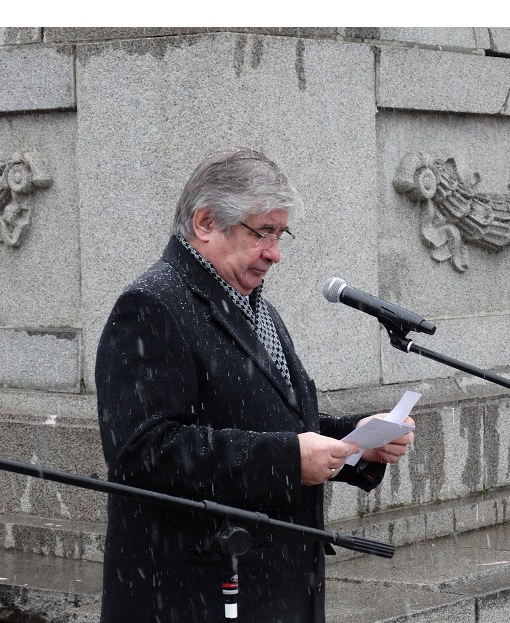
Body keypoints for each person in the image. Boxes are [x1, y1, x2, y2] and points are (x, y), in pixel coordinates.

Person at [95, 147, 415, 623]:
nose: (275, 253)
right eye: (262, 232)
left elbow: (267, 417)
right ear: (206, 222)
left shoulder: (253, 304)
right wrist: (287, 460)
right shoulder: (152, 305)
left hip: (271, 584)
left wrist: (354, 440)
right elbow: (143, 452)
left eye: (280, 235)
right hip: (197, 592)